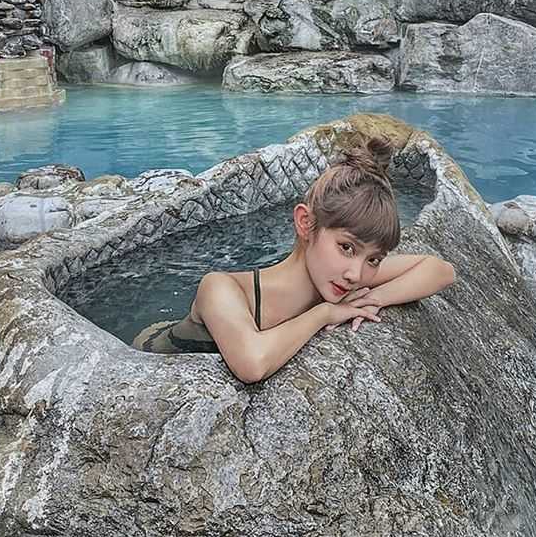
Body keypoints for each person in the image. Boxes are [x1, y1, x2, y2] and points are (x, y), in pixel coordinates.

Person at [132, 134, 457, 383]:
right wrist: (325, 313)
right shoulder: (220, 287)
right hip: (151, 350)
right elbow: (252, 364)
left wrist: (373, 299)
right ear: (306, 223)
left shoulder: (341, 277)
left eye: (374, 259)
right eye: (347, 247)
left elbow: (441, 271)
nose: (356, 274)